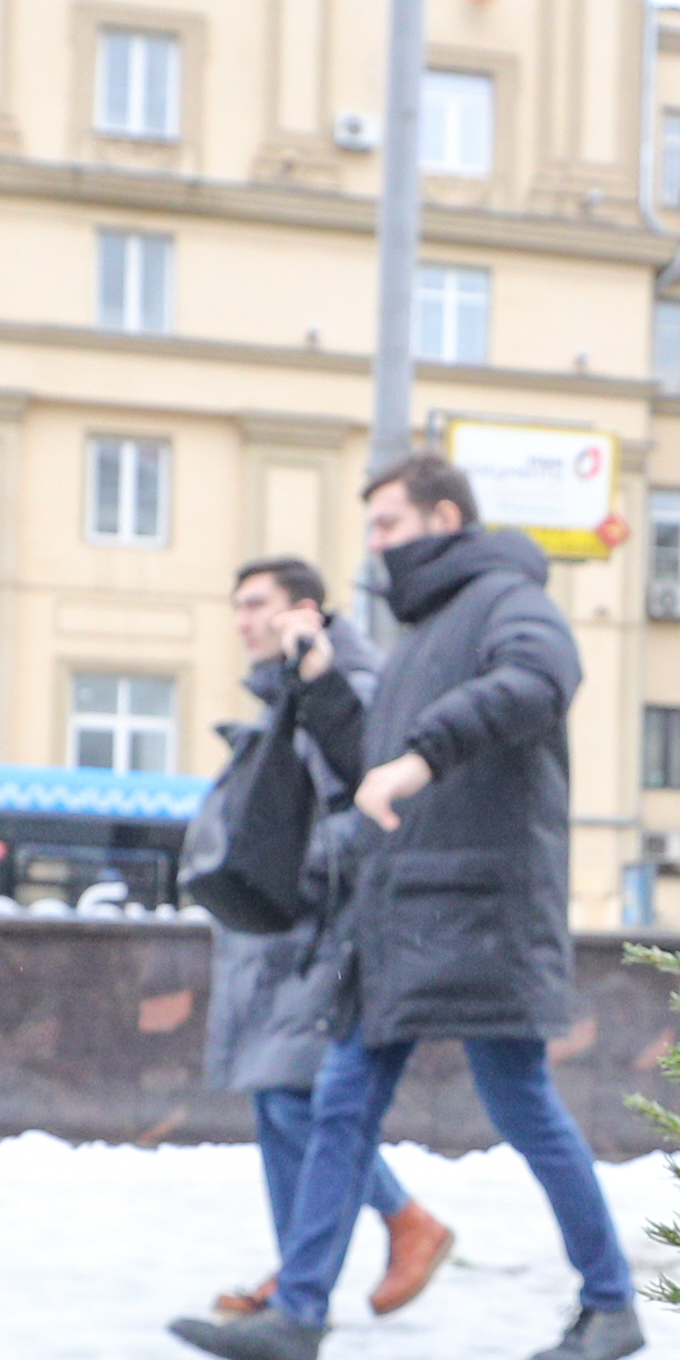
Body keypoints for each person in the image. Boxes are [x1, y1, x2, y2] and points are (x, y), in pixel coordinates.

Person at [170, 454, 643, 1360]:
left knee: (523, 1107)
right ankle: (297, 1319)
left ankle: (611, 1302)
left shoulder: (509, 599)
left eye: (387, 526)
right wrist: (317, 685)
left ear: (442, 517)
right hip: (400, 914)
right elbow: (369, 765)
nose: (375, 547)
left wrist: (423, 754)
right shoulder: (423, 631)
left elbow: (542, 679)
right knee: (340, 1101)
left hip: (482, 909)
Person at [196, 556, 451, 1320]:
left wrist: (297, 865)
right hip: (286, 926)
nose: (243, 621)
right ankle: (296, 1273)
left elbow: (377, 794)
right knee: (277, 1097)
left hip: (331, 925)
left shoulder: (354, 683)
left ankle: (405, 1221)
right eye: (237, 607)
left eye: (257, 605)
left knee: (303, 1099)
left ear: (303, 609)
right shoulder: (283, 690)